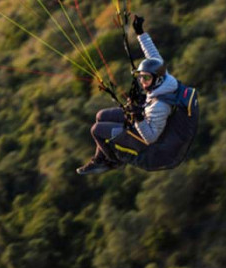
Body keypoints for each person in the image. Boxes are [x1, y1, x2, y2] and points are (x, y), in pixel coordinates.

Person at [76, 14, 179, 175]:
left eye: (146, 78)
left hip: (143, 140)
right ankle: (100, 159)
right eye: (141, 76)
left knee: (96, 130)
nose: (142, 81)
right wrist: (140, 32)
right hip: (144, 118)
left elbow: (151, 138)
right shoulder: (163, 76)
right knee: (101, 115)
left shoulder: (160, 106)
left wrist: (138, 117)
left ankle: (113, 161)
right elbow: (152, 54)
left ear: (156, 80)